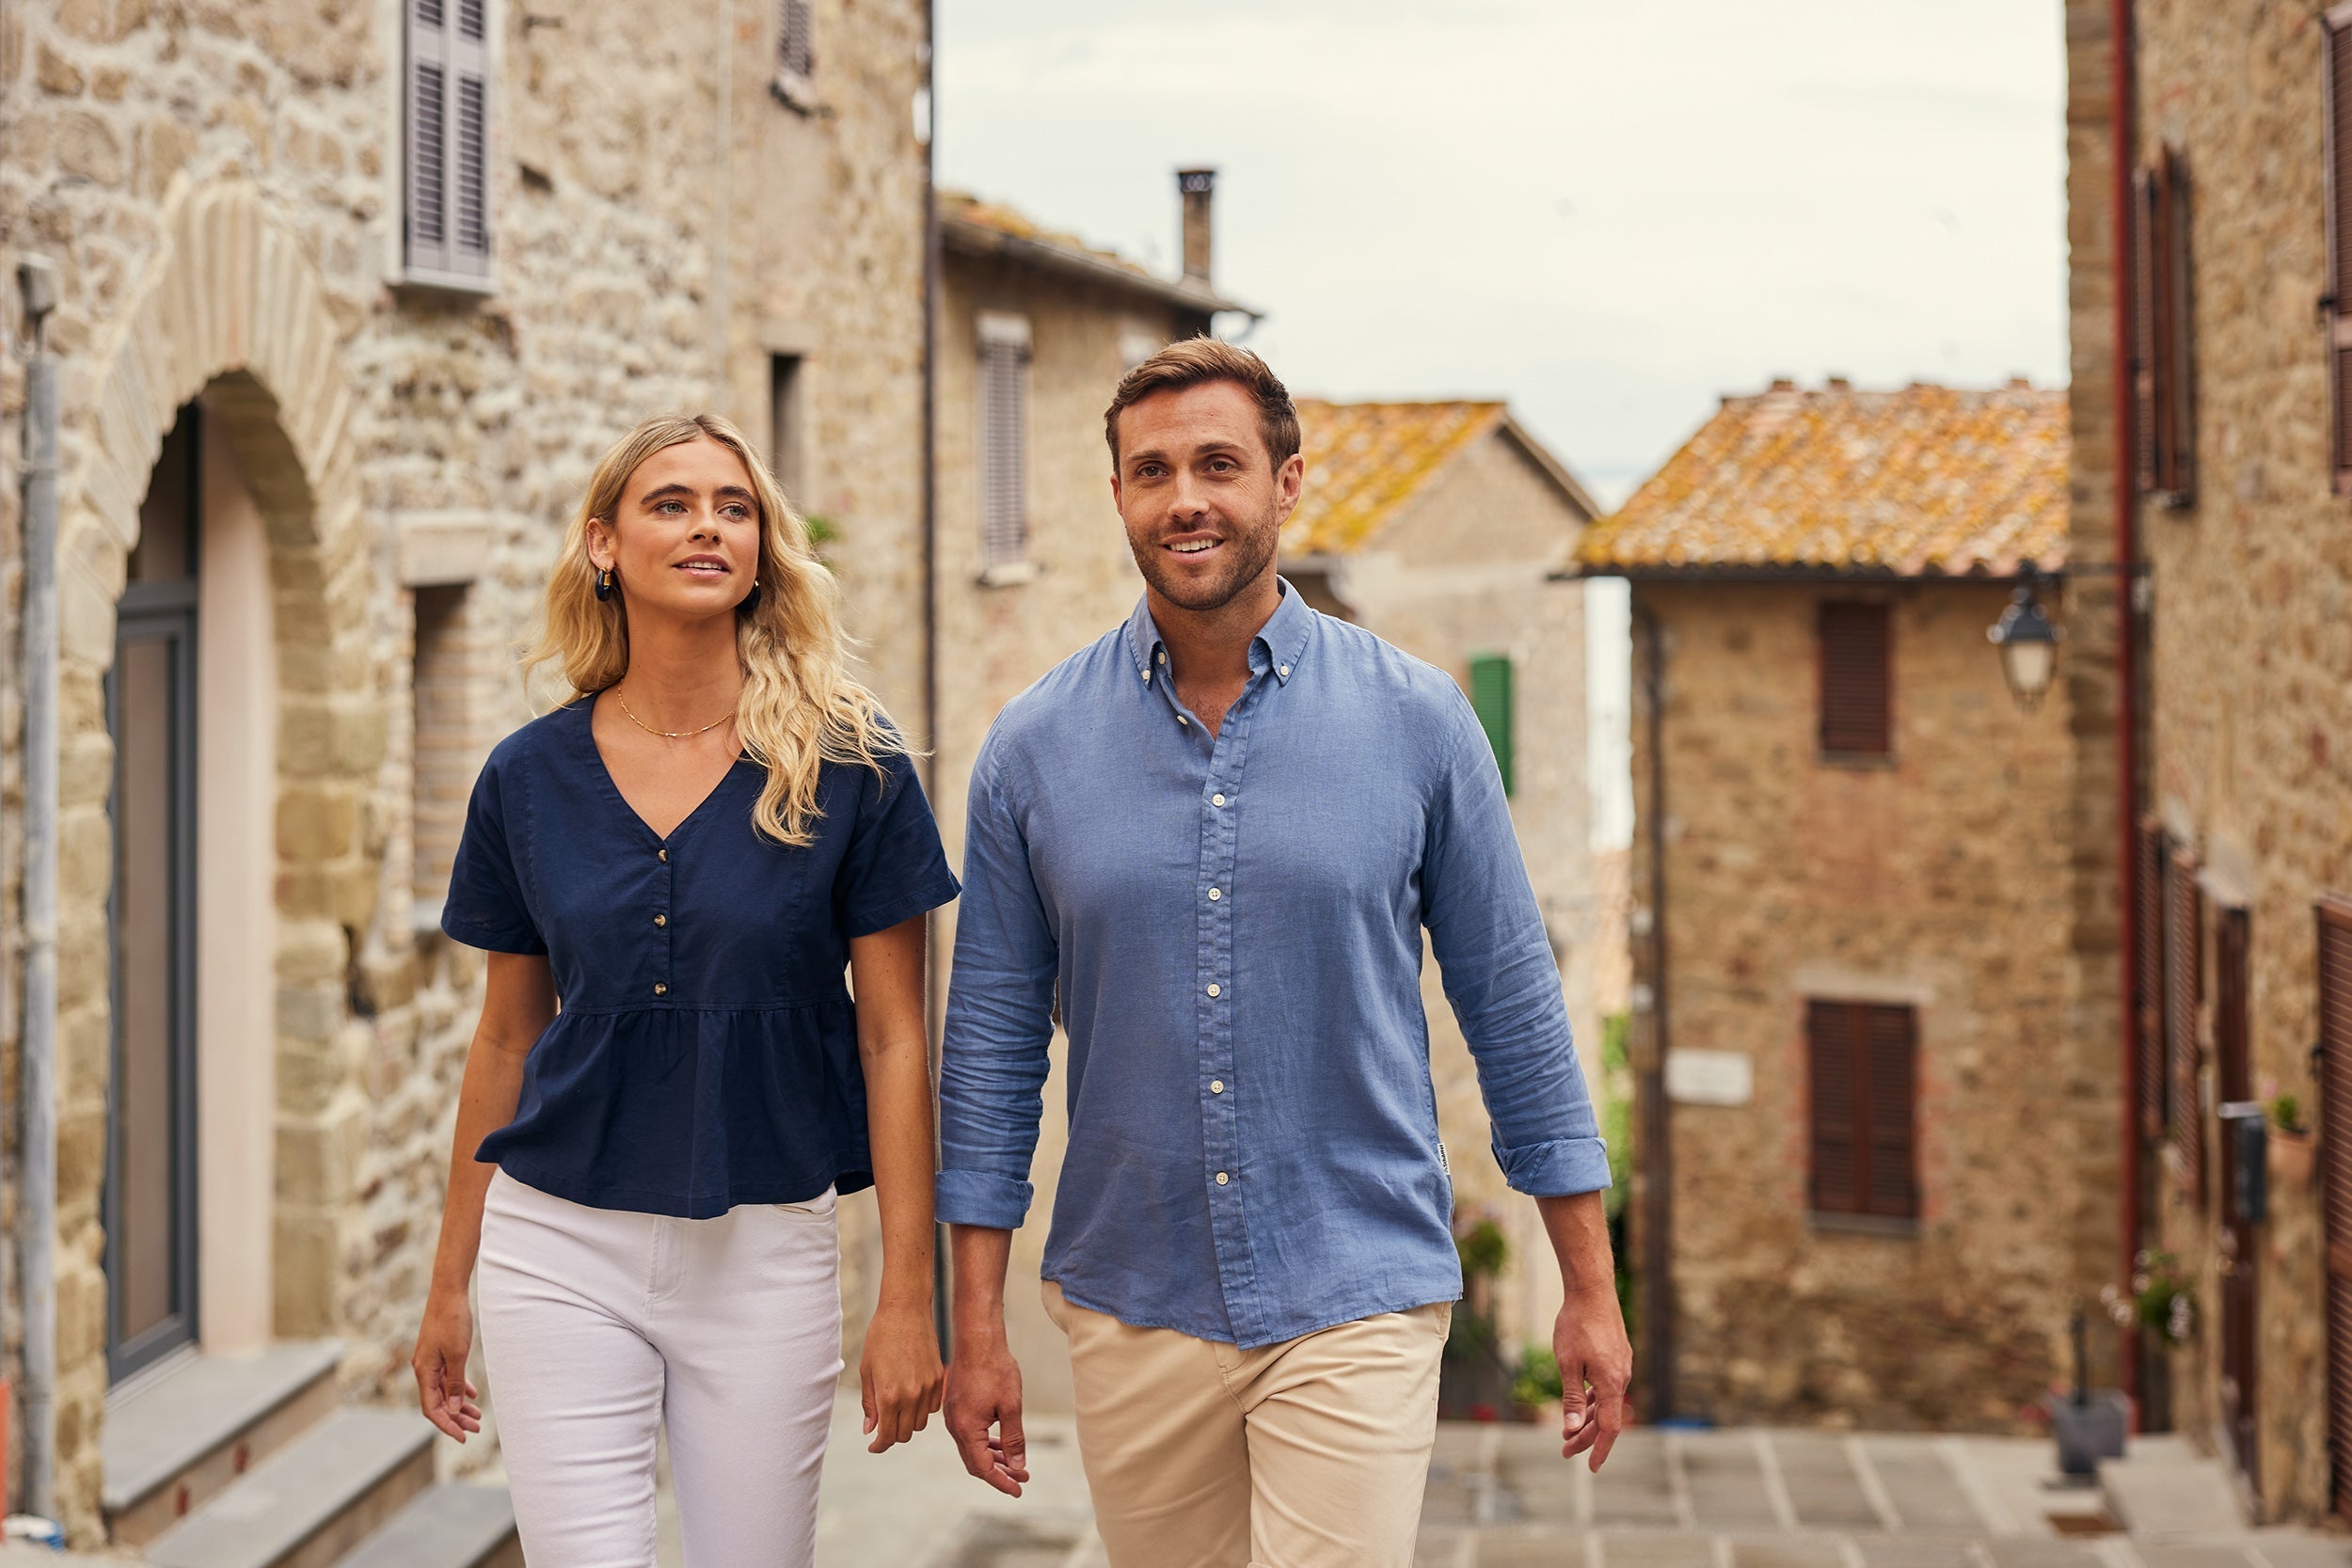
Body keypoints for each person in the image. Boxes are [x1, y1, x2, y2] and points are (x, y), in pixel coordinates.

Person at [936, 340, 1630, 1568]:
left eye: (1219, 462)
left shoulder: (1419, 721)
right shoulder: (1033, 748)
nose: (1186, 496)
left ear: (1286, 481)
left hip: (1354, 1278)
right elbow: (989, 1050)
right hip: (1130, 1293)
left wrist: (1588, 1280)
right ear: (1118, 498)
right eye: (1152, 470)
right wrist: (974, 1316)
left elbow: (1514, 1006)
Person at [409, 413, 959, 1568]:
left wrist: (909, 1294)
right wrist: (448, 1280)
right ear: (604, 545)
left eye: (735, 505)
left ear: (763, 546)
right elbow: (507, 1036)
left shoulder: (851, 761)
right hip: (555, 1242)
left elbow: (896, 1041)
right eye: (672, 502)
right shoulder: (526, 776)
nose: (708, 524)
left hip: (765, 1249)